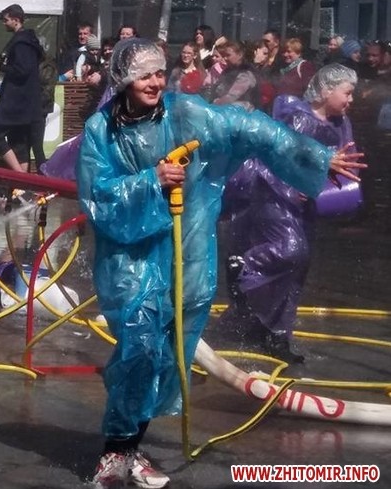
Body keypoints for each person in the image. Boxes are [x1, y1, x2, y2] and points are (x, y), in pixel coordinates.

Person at [76, 39, 364, 488]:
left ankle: (131, 449)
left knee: (167, 351)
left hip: (184, 250)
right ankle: (115, 451)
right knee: (138, 343)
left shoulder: (185, 113)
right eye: (143, 75)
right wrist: (151, 180)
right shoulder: (102, 130)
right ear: (123, 79)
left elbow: (252, 128)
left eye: (159, 73)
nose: (154, 82)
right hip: (129, 258)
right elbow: (97, 195)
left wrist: (317, 157)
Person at [219, 64, 361, 364]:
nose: (351, 100)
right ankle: (246, 265)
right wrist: (293, 186)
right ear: (326, 91)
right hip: (273, 197)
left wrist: (329, 188)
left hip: (304, 202)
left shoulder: (339, 123)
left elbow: (339, 163)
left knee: (298, 267)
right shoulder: (299, 119)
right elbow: (271, 158)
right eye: (347, 93)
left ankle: (275, 332)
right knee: (291, 250)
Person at [0, 3, 43, 173]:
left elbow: (22, 70)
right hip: (24, 104)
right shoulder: (27, 41)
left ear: (16, 20)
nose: (4, 23)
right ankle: (21, 185)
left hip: (15, 104)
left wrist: (2, 67)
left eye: (6, 20)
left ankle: (20, 177)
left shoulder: (21, 43)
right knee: (19, 144)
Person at [31, 34, 58, 174]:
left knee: (37, 146)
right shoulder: (31, 62)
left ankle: (43, 176)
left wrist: (35, 105)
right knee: (24, 146)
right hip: (28, 108)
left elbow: (47, 90)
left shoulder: (47, 65)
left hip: (39, 109)